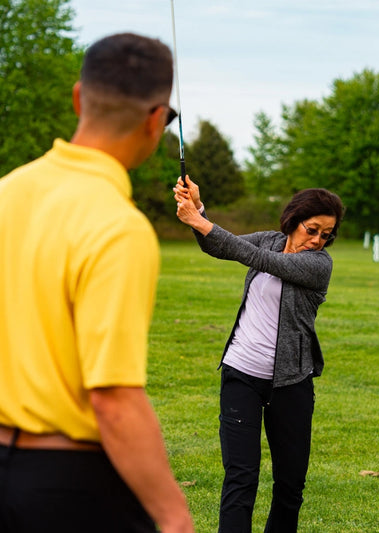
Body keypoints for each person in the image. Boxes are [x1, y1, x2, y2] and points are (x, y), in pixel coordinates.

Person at [0, 33, 194, 533]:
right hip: (65, 486)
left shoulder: (6, 192)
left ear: (78, 98)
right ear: (156, 120)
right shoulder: (118, 227)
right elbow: (113, 399)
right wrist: (174, 516)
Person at [174, 176, 343, 533]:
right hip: (240, 375)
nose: (317, 240)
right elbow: (221, 247)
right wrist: (198, 211)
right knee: (241, 477)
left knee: (290, 484)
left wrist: (199, 219)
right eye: (312, 229)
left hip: (291, 382)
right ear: (294, 219)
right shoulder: (270, 239)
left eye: (326, 235)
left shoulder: (318, 265)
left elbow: (254, 257)